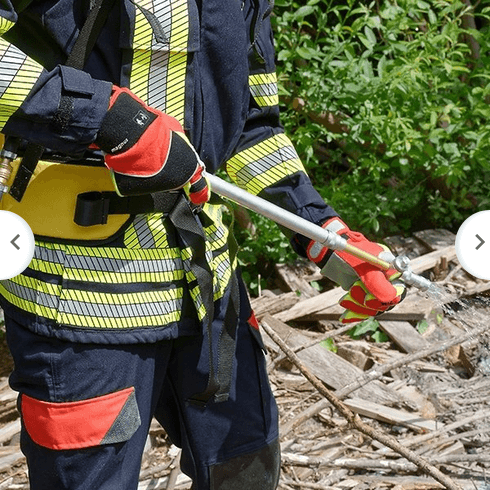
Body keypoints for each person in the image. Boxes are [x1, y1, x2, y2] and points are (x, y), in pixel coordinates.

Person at [0, 1, 405, 489]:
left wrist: (325, 236)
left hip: (208, 287)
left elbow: (251, 127)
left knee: (247, 473)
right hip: (77, 296)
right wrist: (106, 117)